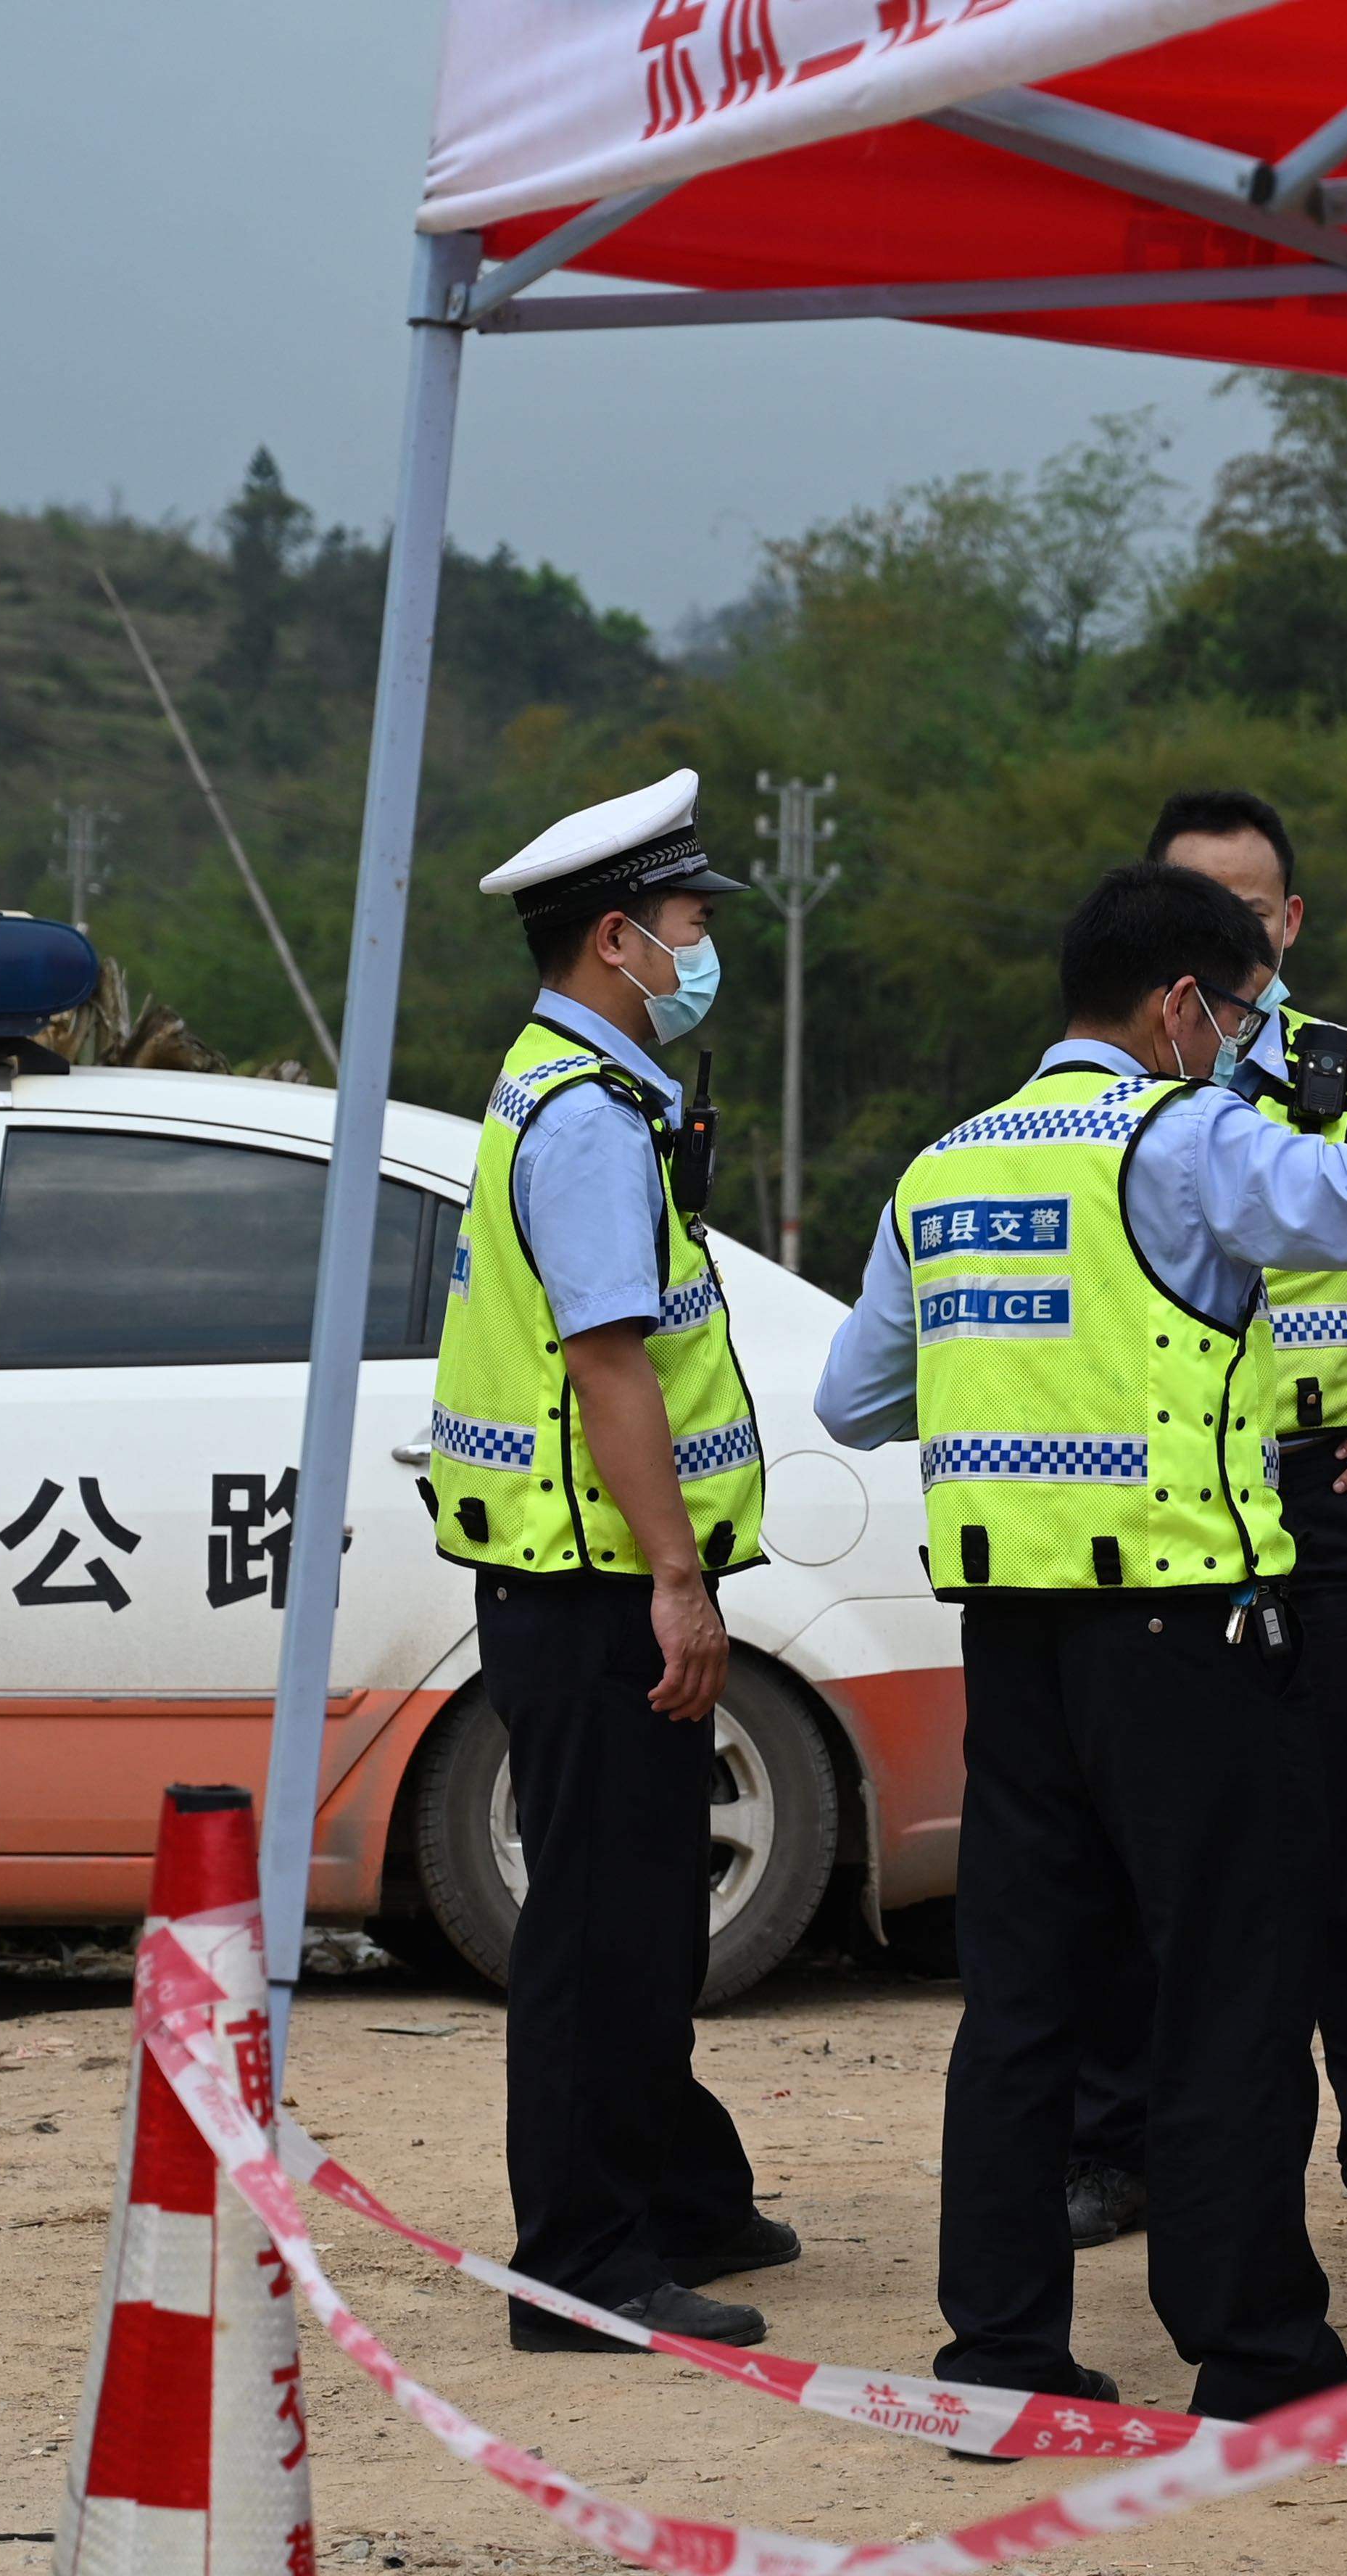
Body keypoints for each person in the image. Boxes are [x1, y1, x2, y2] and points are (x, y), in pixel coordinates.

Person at [817, 863, 1347, 2419]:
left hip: (1012, 1652)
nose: (1249, 1041)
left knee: (1020, 2010)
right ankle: (1257, 2353)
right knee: (1230, 1994)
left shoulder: (946, 1169)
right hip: (1194, 1638)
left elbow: (854, 1399)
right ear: (1180, 1009)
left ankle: (1000, 2350)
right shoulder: (1186, 1133)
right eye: (1242, 1014)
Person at [1059, 790, 1347, 2269]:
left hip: (1312, 1496)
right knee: (1135, 1845)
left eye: (1249, 911)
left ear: (1289, 925)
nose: (1224, 940)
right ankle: (1116, 2149)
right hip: (1156, 1504)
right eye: (1193, 909)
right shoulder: (1113, 1088)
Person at [429, 766, 797, 2354]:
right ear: (614, 943)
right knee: (598, 1925)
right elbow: (608, 1364)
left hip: (581, 1574)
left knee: (645, 1909)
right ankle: (580, 2262)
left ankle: (680, 2193)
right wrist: (677, 1577)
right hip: (595, 1586)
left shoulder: (583, 1089)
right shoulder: (582, 1120)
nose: (703, 944)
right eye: (688, 921)